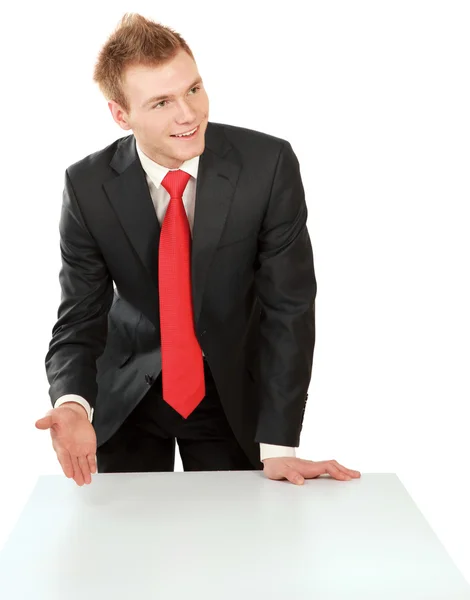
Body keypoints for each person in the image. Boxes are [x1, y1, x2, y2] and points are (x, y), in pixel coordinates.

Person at [36, 13, 361, 487]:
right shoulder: (87, 185)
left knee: (239, 546)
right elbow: (80, 314)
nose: (188, 114)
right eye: (162, 102)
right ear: (121, 115)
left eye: (193, 89)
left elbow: (288, 307)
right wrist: (71, 402)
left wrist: (279, 445)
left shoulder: (266, 165)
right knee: (124, 547)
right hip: (127, 393)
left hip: (229, 386)